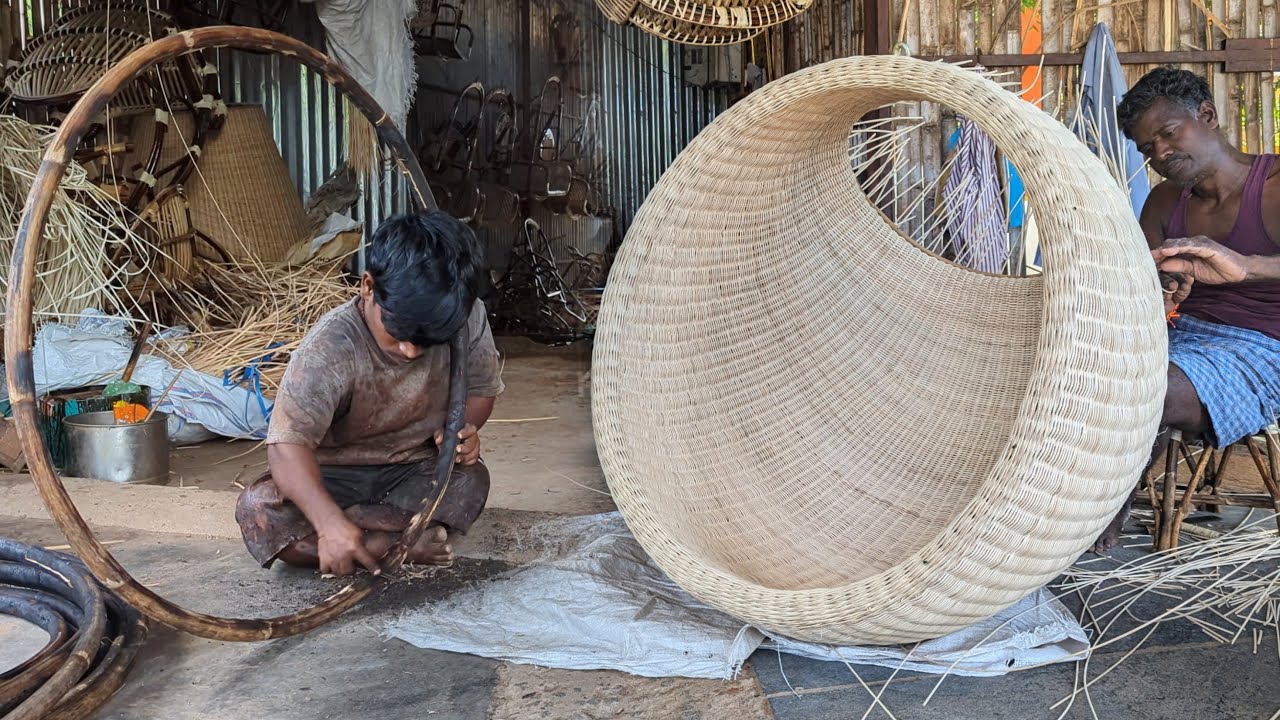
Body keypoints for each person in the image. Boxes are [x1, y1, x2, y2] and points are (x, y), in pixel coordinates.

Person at [235, 210, 505, 575]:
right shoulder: (330, 347)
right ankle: (392, 544)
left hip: (412, 469)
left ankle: (364, 540)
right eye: (398, 332)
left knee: (472, 480)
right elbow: (286, 447)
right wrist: (327, 518)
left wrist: (463, 431)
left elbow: (480, 391)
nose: (411, 351)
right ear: (367, 286)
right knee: (258, 509)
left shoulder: (466, 316)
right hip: (334, 476)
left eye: (427, 342)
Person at [1092, 67, 1280, 551]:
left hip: (1262, 349)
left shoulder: (1275, 187)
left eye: (1168, 134)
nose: (1160, 154)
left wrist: (1246, 266)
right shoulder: (1161, 203)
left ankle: (1099, 515)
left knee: (1146, 385)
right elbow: (1143, 294)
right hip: (1180, 337)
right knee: (1084, 366)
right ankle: (1054, 506)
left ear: (1208, 116)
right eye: (1145, 148)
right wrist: (1162, 293)